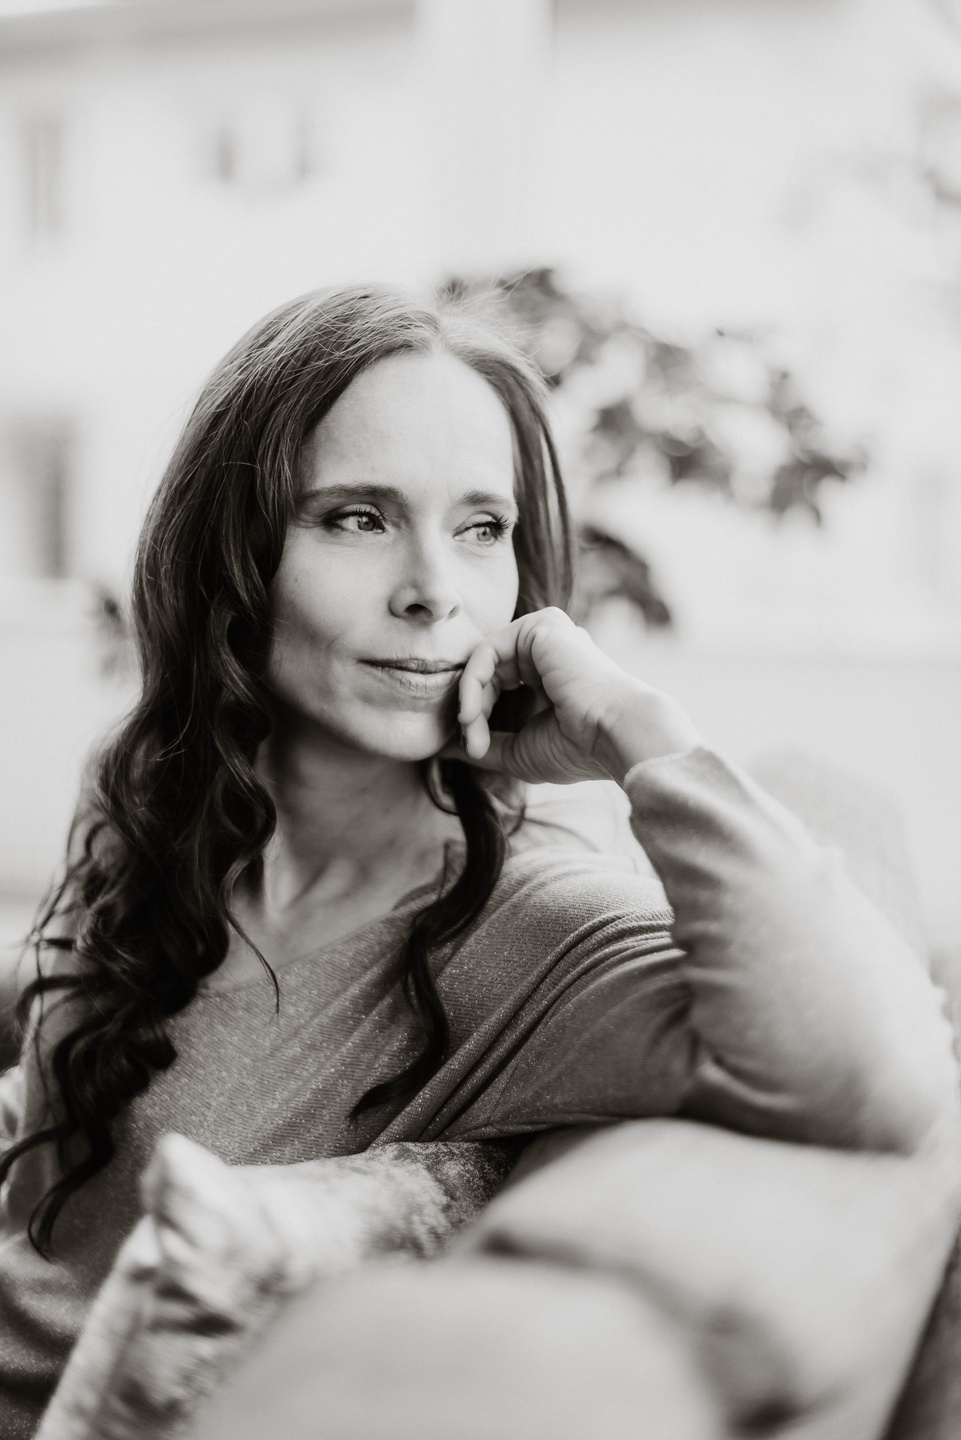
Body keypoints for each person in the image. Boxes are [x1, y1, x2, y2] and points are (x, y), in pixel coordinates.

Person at [0, 286, 956, 1436]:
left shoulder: (534, 931)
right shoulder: (158, 806)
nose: (433, 592)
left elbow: (883, 1084)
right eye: (359, 518)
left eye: (480, 529)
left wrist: (639, 736)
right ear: (231, 553)